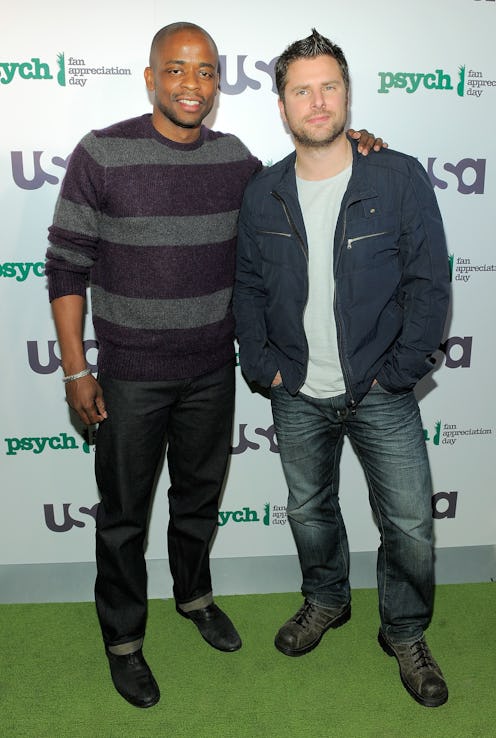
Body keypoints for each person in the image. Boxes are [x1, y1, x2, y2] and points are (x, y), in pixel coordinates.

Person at [46, 21, 383, 709]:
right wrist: (77, 371)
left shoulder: (235, 161)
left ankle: (194, 596)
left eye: (204, 72)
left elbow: (299, 184)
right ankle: (123, 641)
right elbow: (66, 266)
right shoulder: (101, 153)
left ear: (218, 84)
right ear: (151, 78)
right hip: (129, 376)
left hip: (210, 370)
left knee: (197, 502)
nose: (190, 84)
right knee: (123, 517)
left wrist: (355, 146)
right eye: (175, 69)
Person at [234, 29, 450, 708]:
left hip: (380, 387)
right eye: (302, 90)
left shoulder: (398, 177)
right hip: (296, 389)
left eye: (329, 86)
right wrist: (264, 368)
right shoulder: (262, 192)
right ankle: (327, 599)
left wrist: (399, 371)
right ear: (282, 106)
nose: (318, 101)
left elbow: (429, 284)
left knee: (410, 525)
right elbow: (248, 287)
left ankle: (405, 632)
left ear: (348, 94)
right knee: (309, 512)